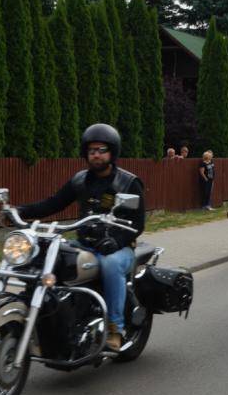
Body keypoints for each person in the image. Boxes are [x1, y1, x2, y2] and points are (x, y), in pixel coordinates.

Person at [16, 124, 145, 351]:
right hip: (84, 244)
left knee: (111, 264)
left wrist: (116, 241)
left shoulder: (127, 182)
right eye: (92, 150)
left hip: (118, 249)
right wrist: (20, 211)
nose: (96, 155)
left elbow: (138, 223)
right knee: (50, 259)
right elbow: (53, 203)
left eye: (102, 150)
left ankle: (115, 328)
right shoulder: (80, 180)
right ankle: (53, 322)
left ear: (112, 152)